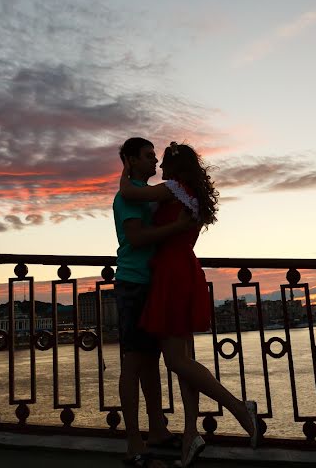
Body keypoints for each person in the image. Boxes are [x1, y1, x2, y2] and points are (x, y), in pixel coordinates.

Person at [120, 141, 260, 468]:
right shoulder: (191, 192)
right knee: (183, 360)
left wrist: (125, 174)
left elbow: (131, 194)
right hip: (184, 270)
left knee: (176, 361)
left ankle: (240, 408)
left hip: (171, 275)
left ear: (172, 167)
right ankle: (190, 436)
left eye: (162, 161)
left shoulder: (172, 188)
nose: (159, 165)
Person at [113, 137, 195, 466]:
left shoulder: (150, 195)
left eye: (155, 157)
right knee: (133, 364)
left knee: (151, 364)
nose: (154, 163)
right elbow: (136, 238)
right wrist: (176, 228)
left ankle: (157, 428)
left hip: (152, 284)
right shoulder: (128, 198)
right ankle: (134, 442)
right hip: (133, 284)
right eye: (148, 157)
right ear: (132, 161)